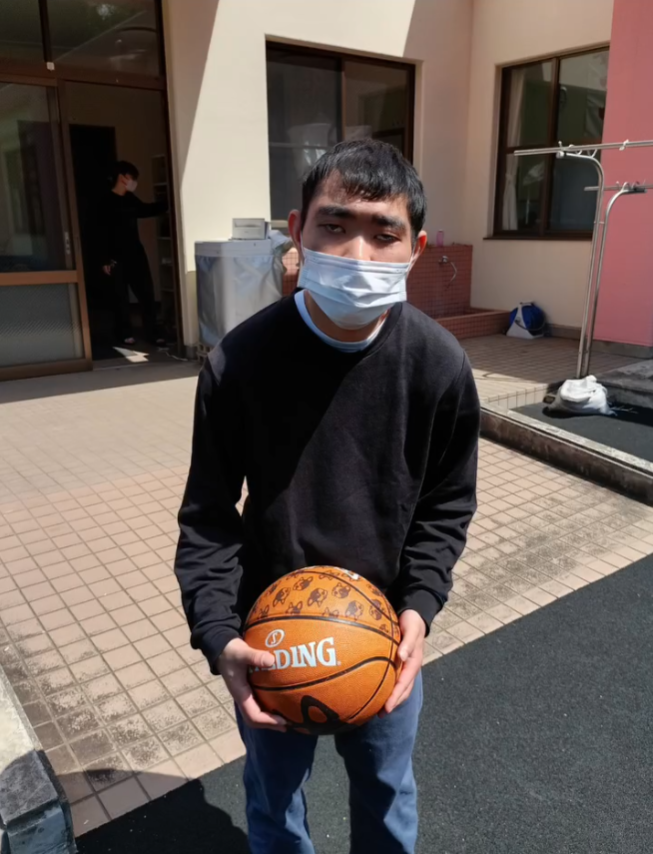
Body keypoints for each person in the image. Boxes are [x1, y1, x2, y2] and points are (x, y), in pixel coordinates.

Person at [175, 139, 480, 854]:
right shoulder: (240, 362)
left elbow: (446, 506)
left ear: (416, 247)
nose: (358, 254)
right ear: (297, 231)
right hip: (271, 637)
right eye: (334, 226)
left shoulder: (439, 366)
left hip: (383, 636)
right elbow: (208, 519)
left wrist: (419, 605)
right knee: (274, 805)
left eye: (384, 233)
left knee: (386, 797)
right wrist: (220, 636)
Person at [99, 160, 167, 347]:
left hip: (136, 253)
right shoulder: (105, 202)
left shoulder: (130, 199)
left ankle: (153, 333)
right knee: (120, 297)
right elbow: (100, 232)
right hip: (115, 257)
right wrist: (104, 259)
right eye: (132, 177)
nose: (134, 182)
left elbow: (145, 210)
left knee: (146, 294)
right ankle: (124, 333)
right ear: (122, 177)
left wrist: (169, 201)